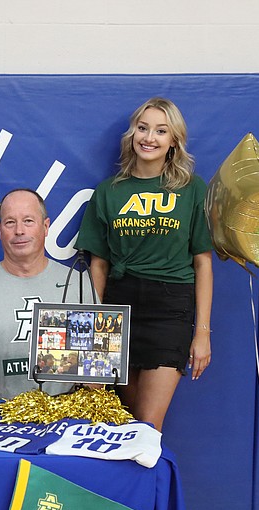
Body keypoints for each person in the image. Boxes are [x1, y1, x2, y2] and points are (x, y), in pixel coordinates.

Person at [76, 97, 213, 431]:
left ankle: (154, 484)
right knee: (125, 423)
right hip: (118, 307)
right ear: (132, 134)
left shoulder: (192, 189)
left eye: (161, 131)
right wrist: (95, 327)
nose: (149, 137)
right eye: (143, 128)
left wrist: (203, 333)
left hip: (170, 308)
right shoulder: (108, 192)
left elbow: (203, 263)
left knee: (148, 426)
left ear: (173, 141)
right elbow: (98, 266)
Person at [0, 188, 94, 400]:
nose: (19, 230)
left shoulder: (79, 285)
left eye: (28, 221)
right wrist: (3, 411)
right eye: (10, 222)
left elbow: (95, 373)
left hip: (65, 419)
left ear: (46, 226)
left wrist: (67, 412)